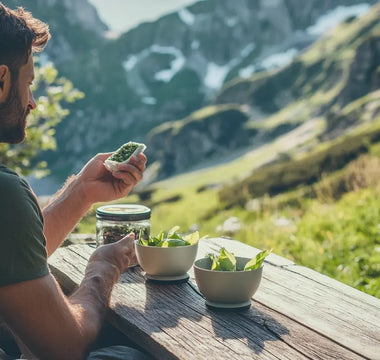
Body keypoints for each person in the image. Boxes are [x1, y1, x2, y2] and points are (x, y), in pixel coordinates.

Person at [0, 3, 151, 359]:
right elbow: (64, 347)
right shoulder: (4, 193)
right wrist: (103, 269)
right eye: (29, 84)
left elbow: (11, 251)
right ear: (1, 80)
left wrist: (82, 191)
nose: (33, 102)